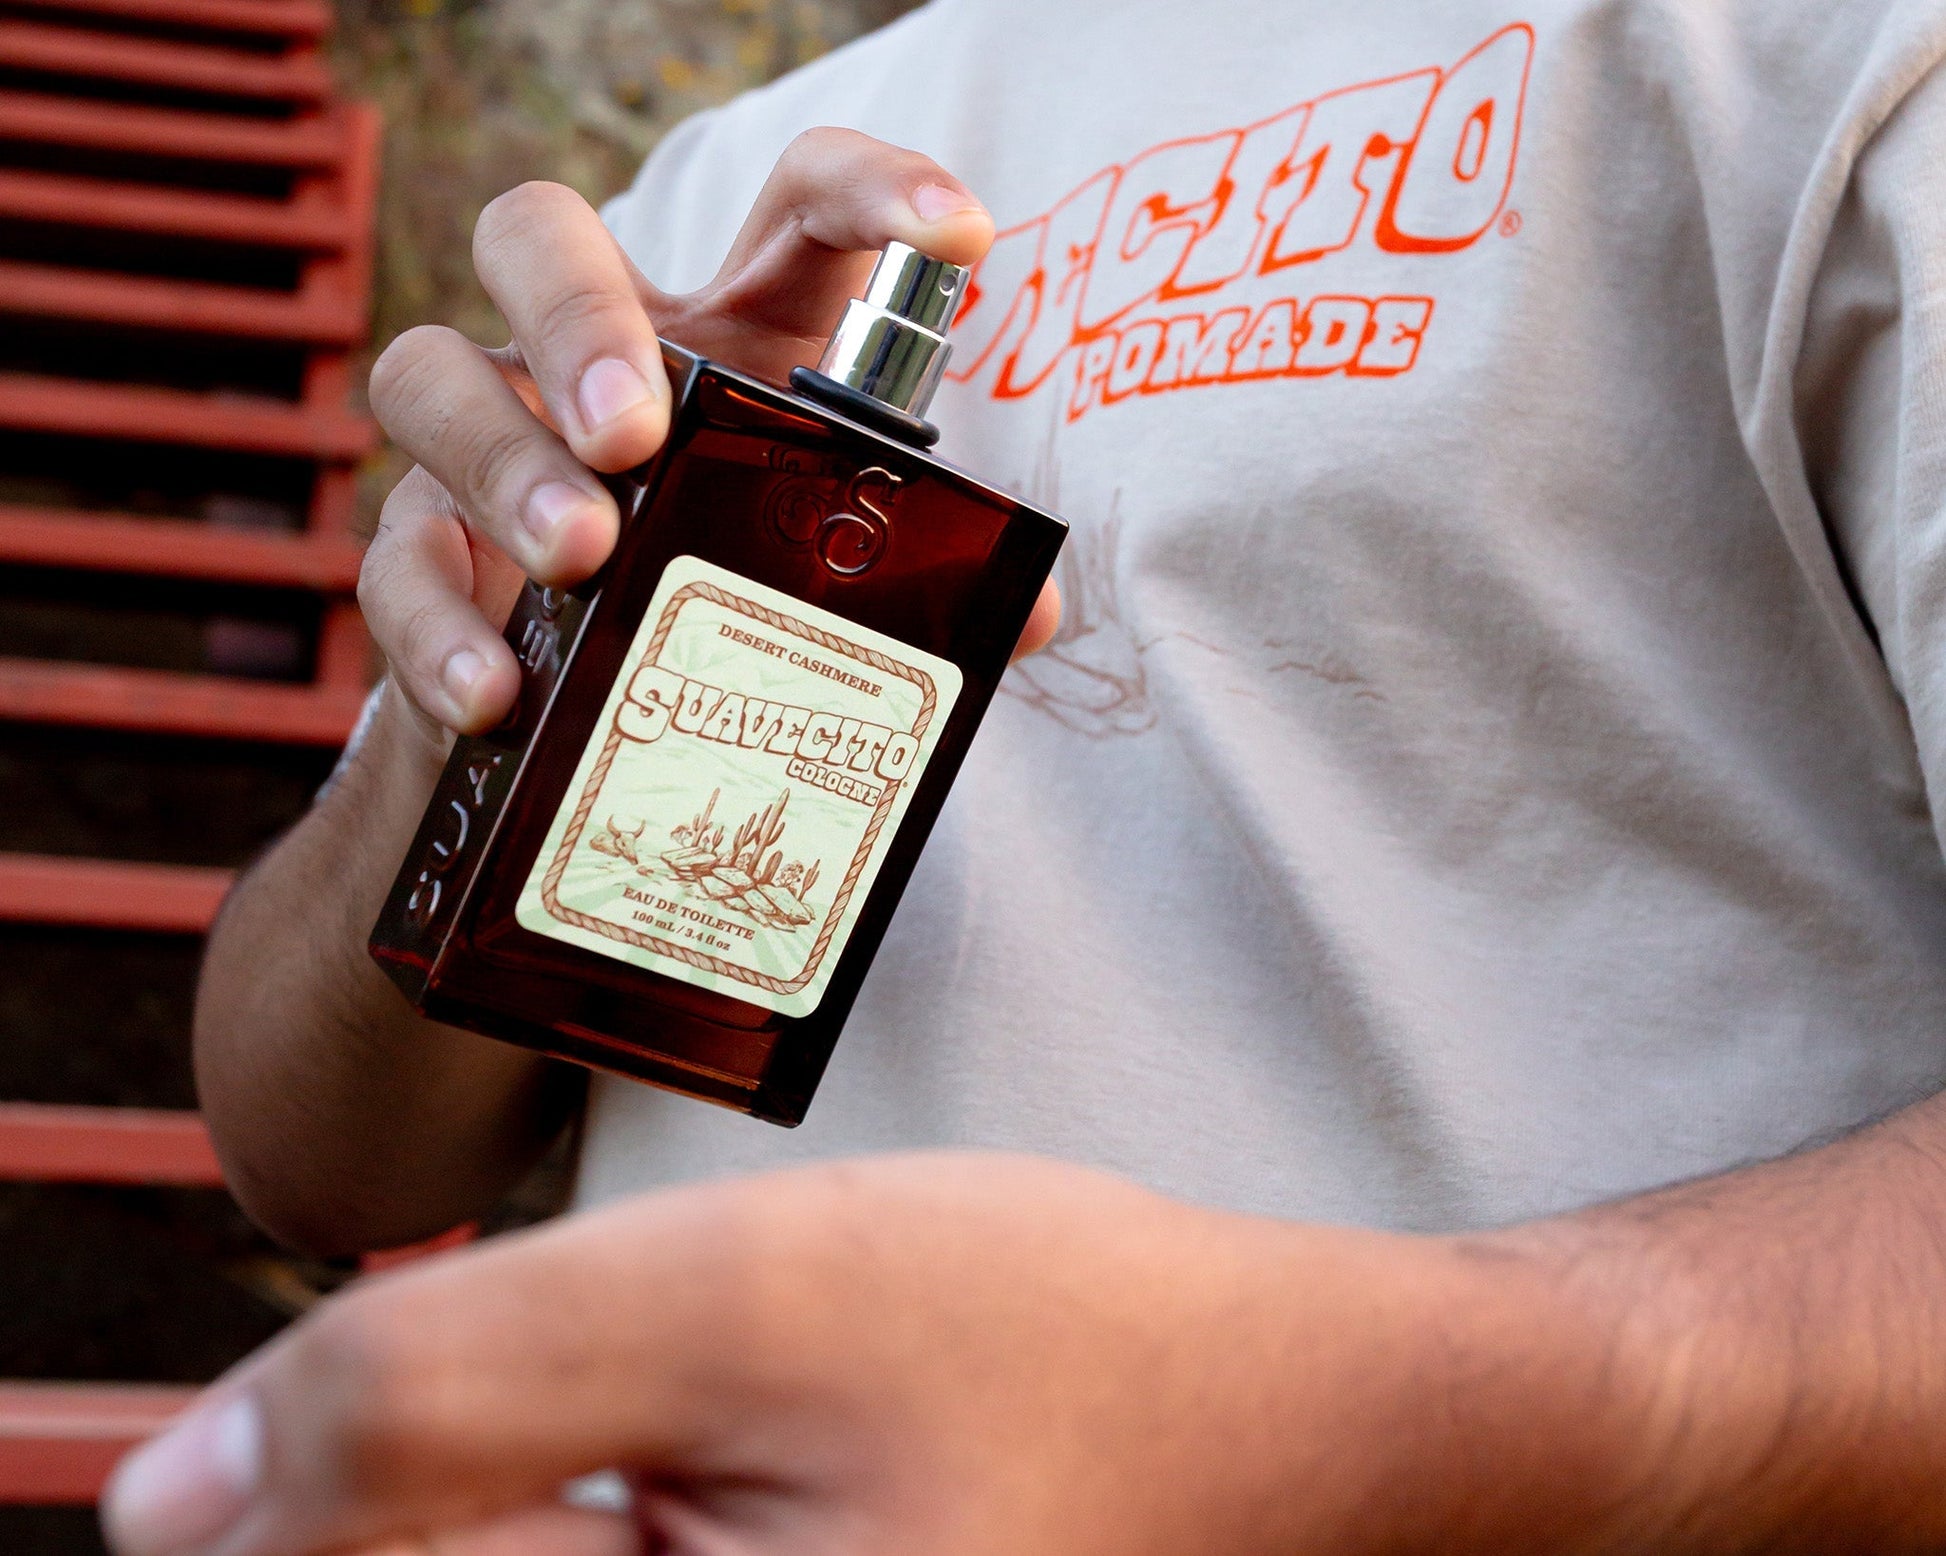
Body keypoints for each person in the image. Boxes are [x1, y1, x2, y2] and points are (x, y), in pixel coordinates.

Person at [101, 0, 1946, 1548]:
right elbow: (307, 1160)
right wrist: (502, 700)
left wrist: (1303, 1423)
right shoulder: (728, 178)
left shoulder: (1815, 52)